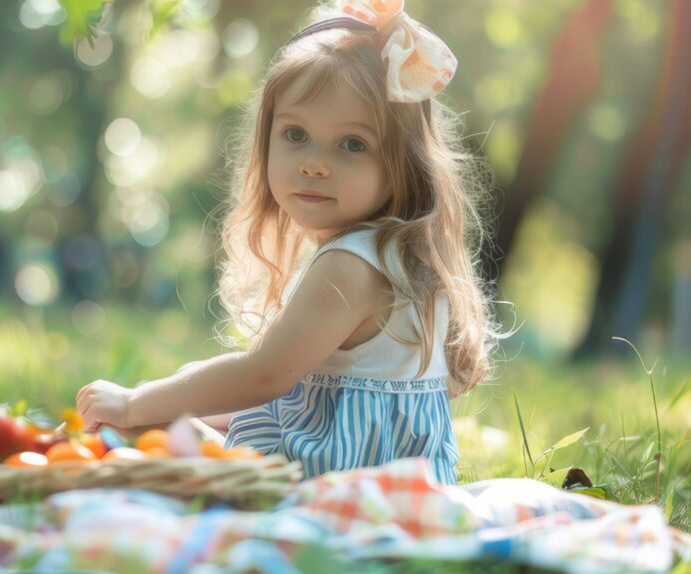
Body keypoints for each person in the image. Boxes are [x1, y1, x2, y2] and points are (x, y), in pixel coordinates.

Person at [76, 0, 499, 483]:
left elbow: (264, 376)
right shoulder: (394, 253)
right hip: (380, 473)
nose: (315, 163)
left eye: (352, 144)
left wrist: (134, 403)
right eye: (296, 134)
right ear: (266, 140)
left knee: (140, 425)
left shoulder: (349, 266)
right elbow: (299, 394)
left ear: (404, 163)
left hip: (331, 482)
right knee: (180, 399)